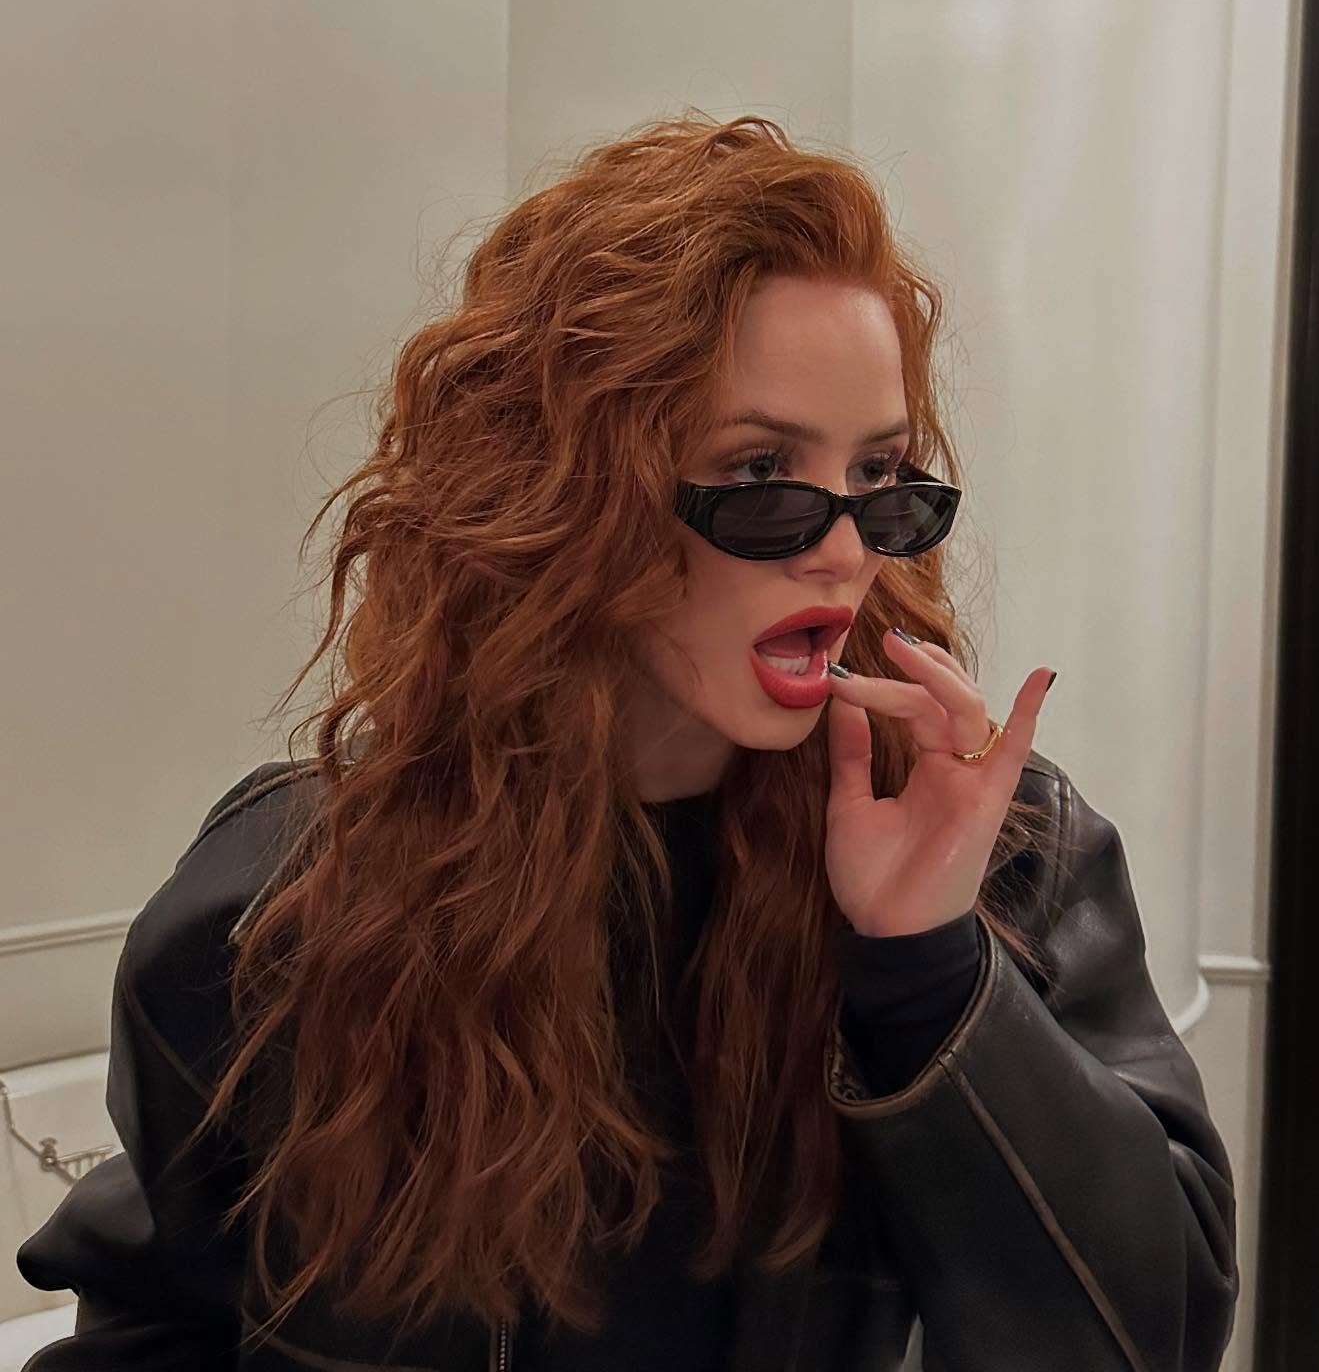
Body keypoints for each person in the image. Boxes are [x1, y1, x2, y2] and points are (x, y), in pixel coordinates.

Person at [16, 113, 1239, 1371]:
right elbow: (154, 1324)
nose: (843, 550)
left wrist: (931, 972)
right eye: (759, 471)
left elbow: (1159, 1333)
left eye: (880, 476)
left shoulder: (997, 854)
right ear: (565, 492)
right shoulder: (291, 909)